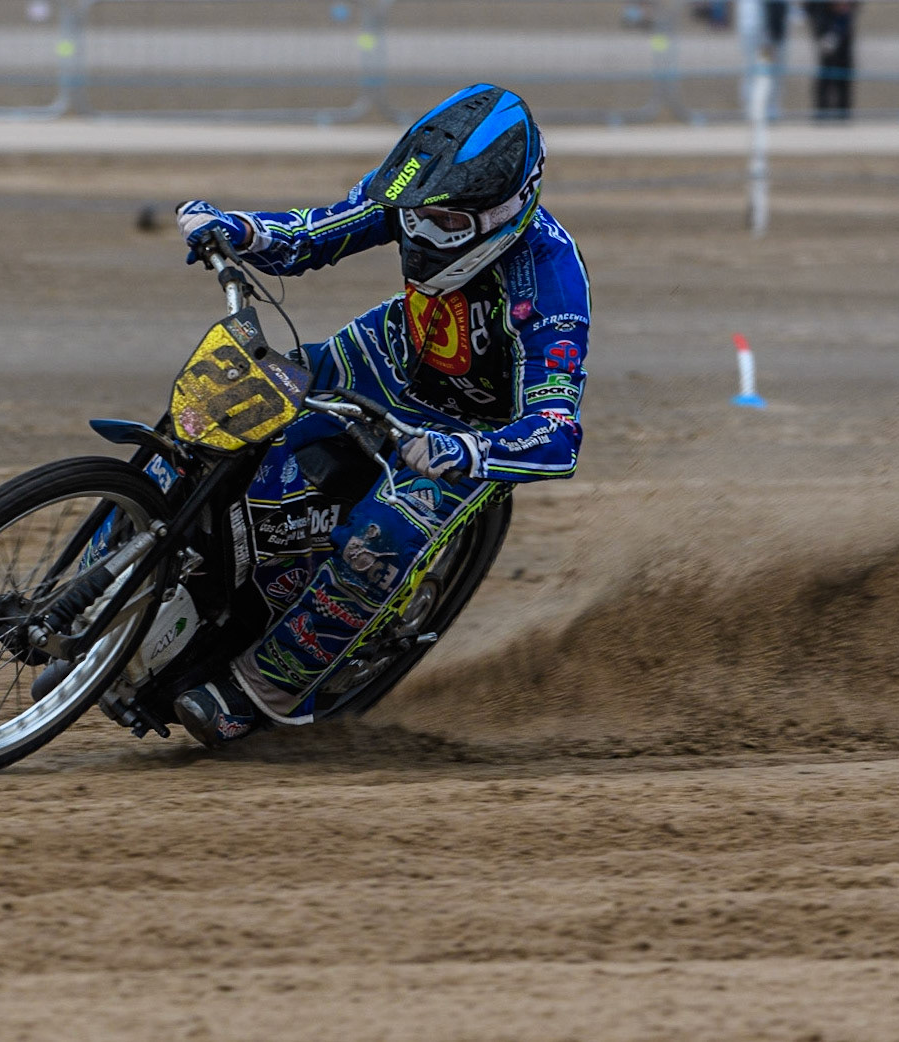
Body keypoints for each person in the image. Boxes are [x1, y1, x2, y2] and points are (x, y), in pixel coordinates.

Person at [168, 84, 590, 747]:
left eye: (444, 226)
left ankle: (261, 689)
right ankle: (126, 555)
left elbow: (558, 434)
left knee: (382, 542)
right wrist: (242, 229)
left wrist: (469, 456)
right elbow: (318, 233)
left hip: (465, 433)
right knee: (217, 407)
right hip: (378, 354)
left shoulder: (553, 279)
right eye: (412, 217)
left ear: (507, 209)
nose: (419, 234)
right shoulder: (419, 193)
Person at [804, 0, 858, 120]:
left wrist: (846, 5)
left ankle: (843, 116)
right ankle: (822, 114)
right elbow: (809, 7)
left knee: (844, 75)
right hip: (824, 25)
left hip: (843, 32)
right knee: (825, 75)